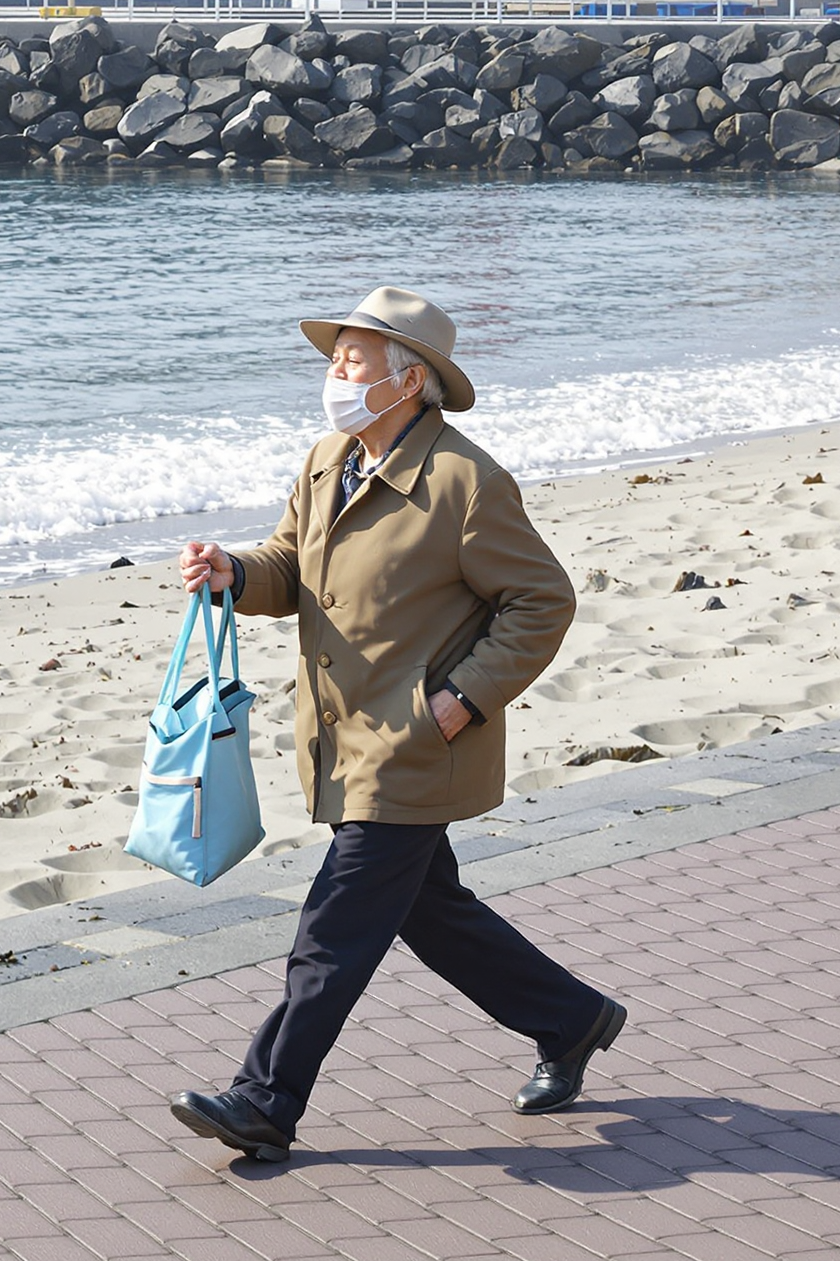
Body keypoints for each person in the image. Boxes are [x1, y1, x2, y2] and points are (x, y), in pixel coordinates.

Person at [171, 287, 623, 1163]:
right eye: (335, 355)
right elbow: (290, 567)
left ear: (409, 380)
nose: (335, 371)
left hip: (414, 747)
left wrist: (460, 702)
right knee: (433, 912)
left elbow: (541, 601)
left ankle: (265, 1101)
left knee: (334, 929)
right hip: (342, 738)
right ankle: (571, 1020)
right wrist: (232, 571)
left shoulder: (465, 482)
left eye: (354, 358)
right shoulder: (326, 457)